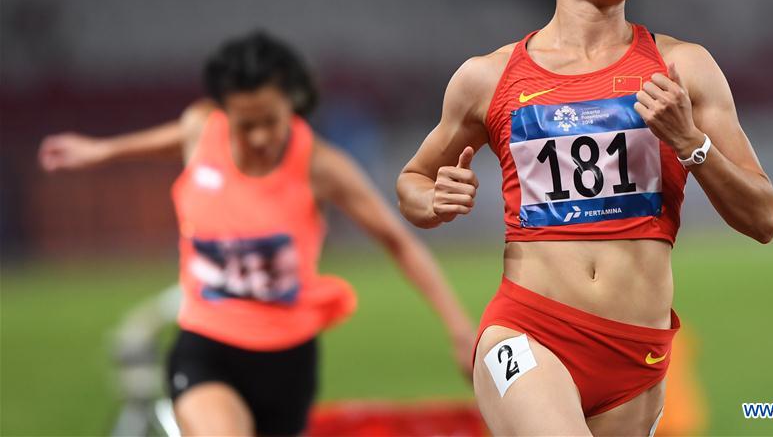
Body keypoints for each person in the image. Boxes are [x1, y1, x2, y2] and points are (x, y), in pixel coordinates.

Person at [397, 0, 773, 436]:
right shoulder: (487, 78)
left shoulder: (684, 69)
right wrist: (434, 202)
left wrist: (690, 141)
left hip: (637, 355)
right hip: (528, 331)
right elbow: (413, 182)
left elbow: (763, 217)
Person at [39, 31, 475, 437]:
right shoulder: (200, 130)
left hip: (287, 365)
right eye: (245, 125)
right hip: (206, 349)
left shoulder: (321, 166)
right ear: (222, 112)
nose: (261, 136)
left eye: (270, 120)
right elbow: (169, 139)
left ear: (292, 102)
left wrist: (458, 328)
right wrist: (102, 151)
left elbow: (397, 241)